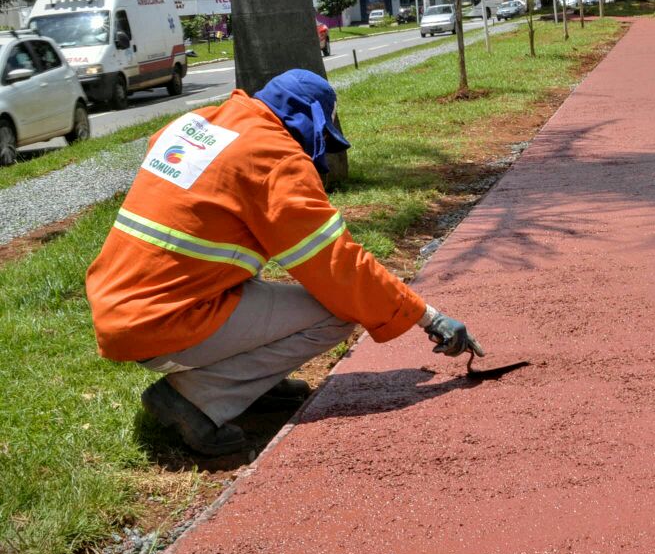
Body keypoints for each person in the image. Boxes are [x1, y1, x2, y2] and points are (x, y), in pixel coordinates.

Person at [85, 69, 483, 456]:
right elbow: (339, 269)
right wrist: (427, 316)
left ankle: (253, 383)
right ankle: (196, 398)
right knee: (338, 312)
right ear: (309, 123)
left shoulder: (201, 122)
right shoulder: (274, 159)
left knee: (277, 289)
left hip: (122, 304)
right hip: (162, 321)